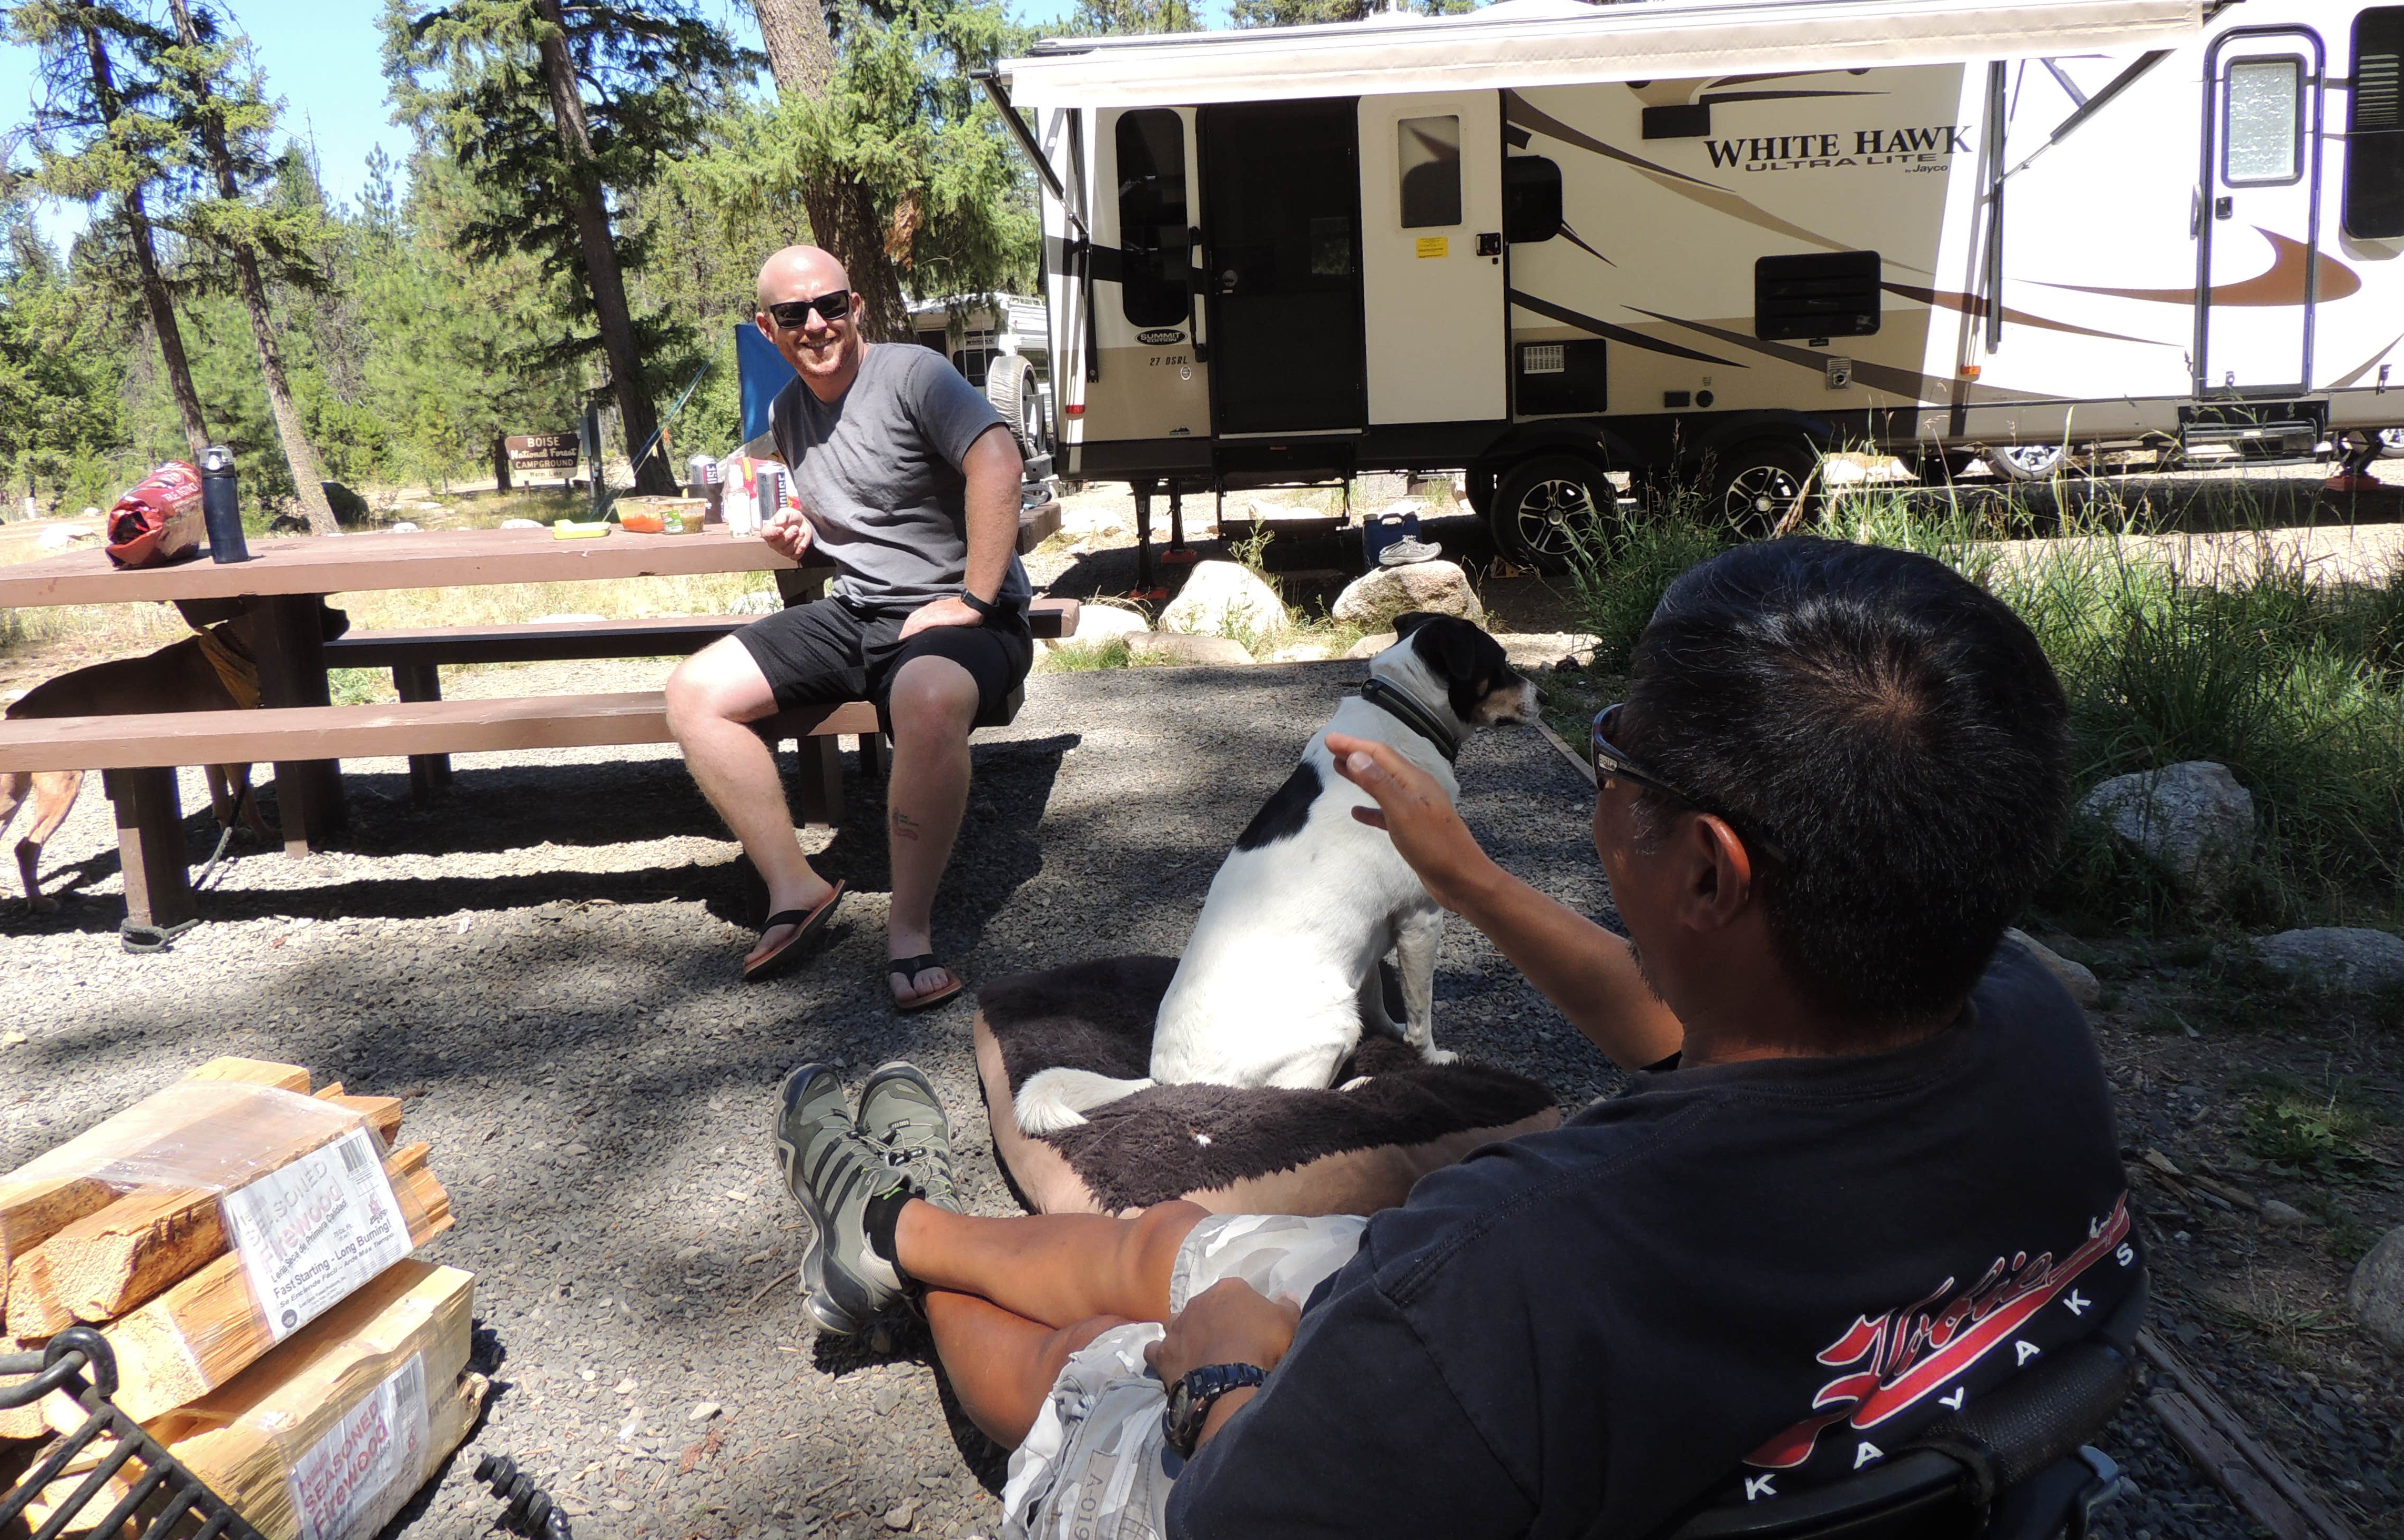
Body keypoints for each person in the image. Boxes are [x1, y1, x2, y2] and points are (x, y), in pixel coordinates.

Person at [772, 538, 2142, 1539]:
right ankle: (904, 1227)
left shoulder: (1505, 1260)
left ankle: (910, 1271)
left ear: (1712, 873)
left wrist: (1231, 1373)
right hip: (1669, 1408)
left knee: (1098, 1363)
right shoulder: (2025, 1029)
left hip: (1334, 1455)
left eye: (1617, 752)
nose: (1598, 773)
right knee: (1189, 1239)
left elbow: (1246, 1519)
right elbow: (1675, 1028)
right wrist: (1470, 876)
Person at [666, 246, 1031, 1009]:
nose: (818, 325)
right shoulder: (787, 412)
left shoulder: (914, 375)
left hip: (961, 614)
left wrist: (972, 599)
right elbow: (850, 516)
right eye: (795, 315)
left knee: (927, 696)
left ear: (856, 307)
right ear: (767, 328)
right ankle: (794, 887)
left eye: (831, 306)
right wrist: (800, 532)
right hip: (859, 611)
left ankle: (908, 931)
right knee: (695, 691)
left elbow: (998, 462)